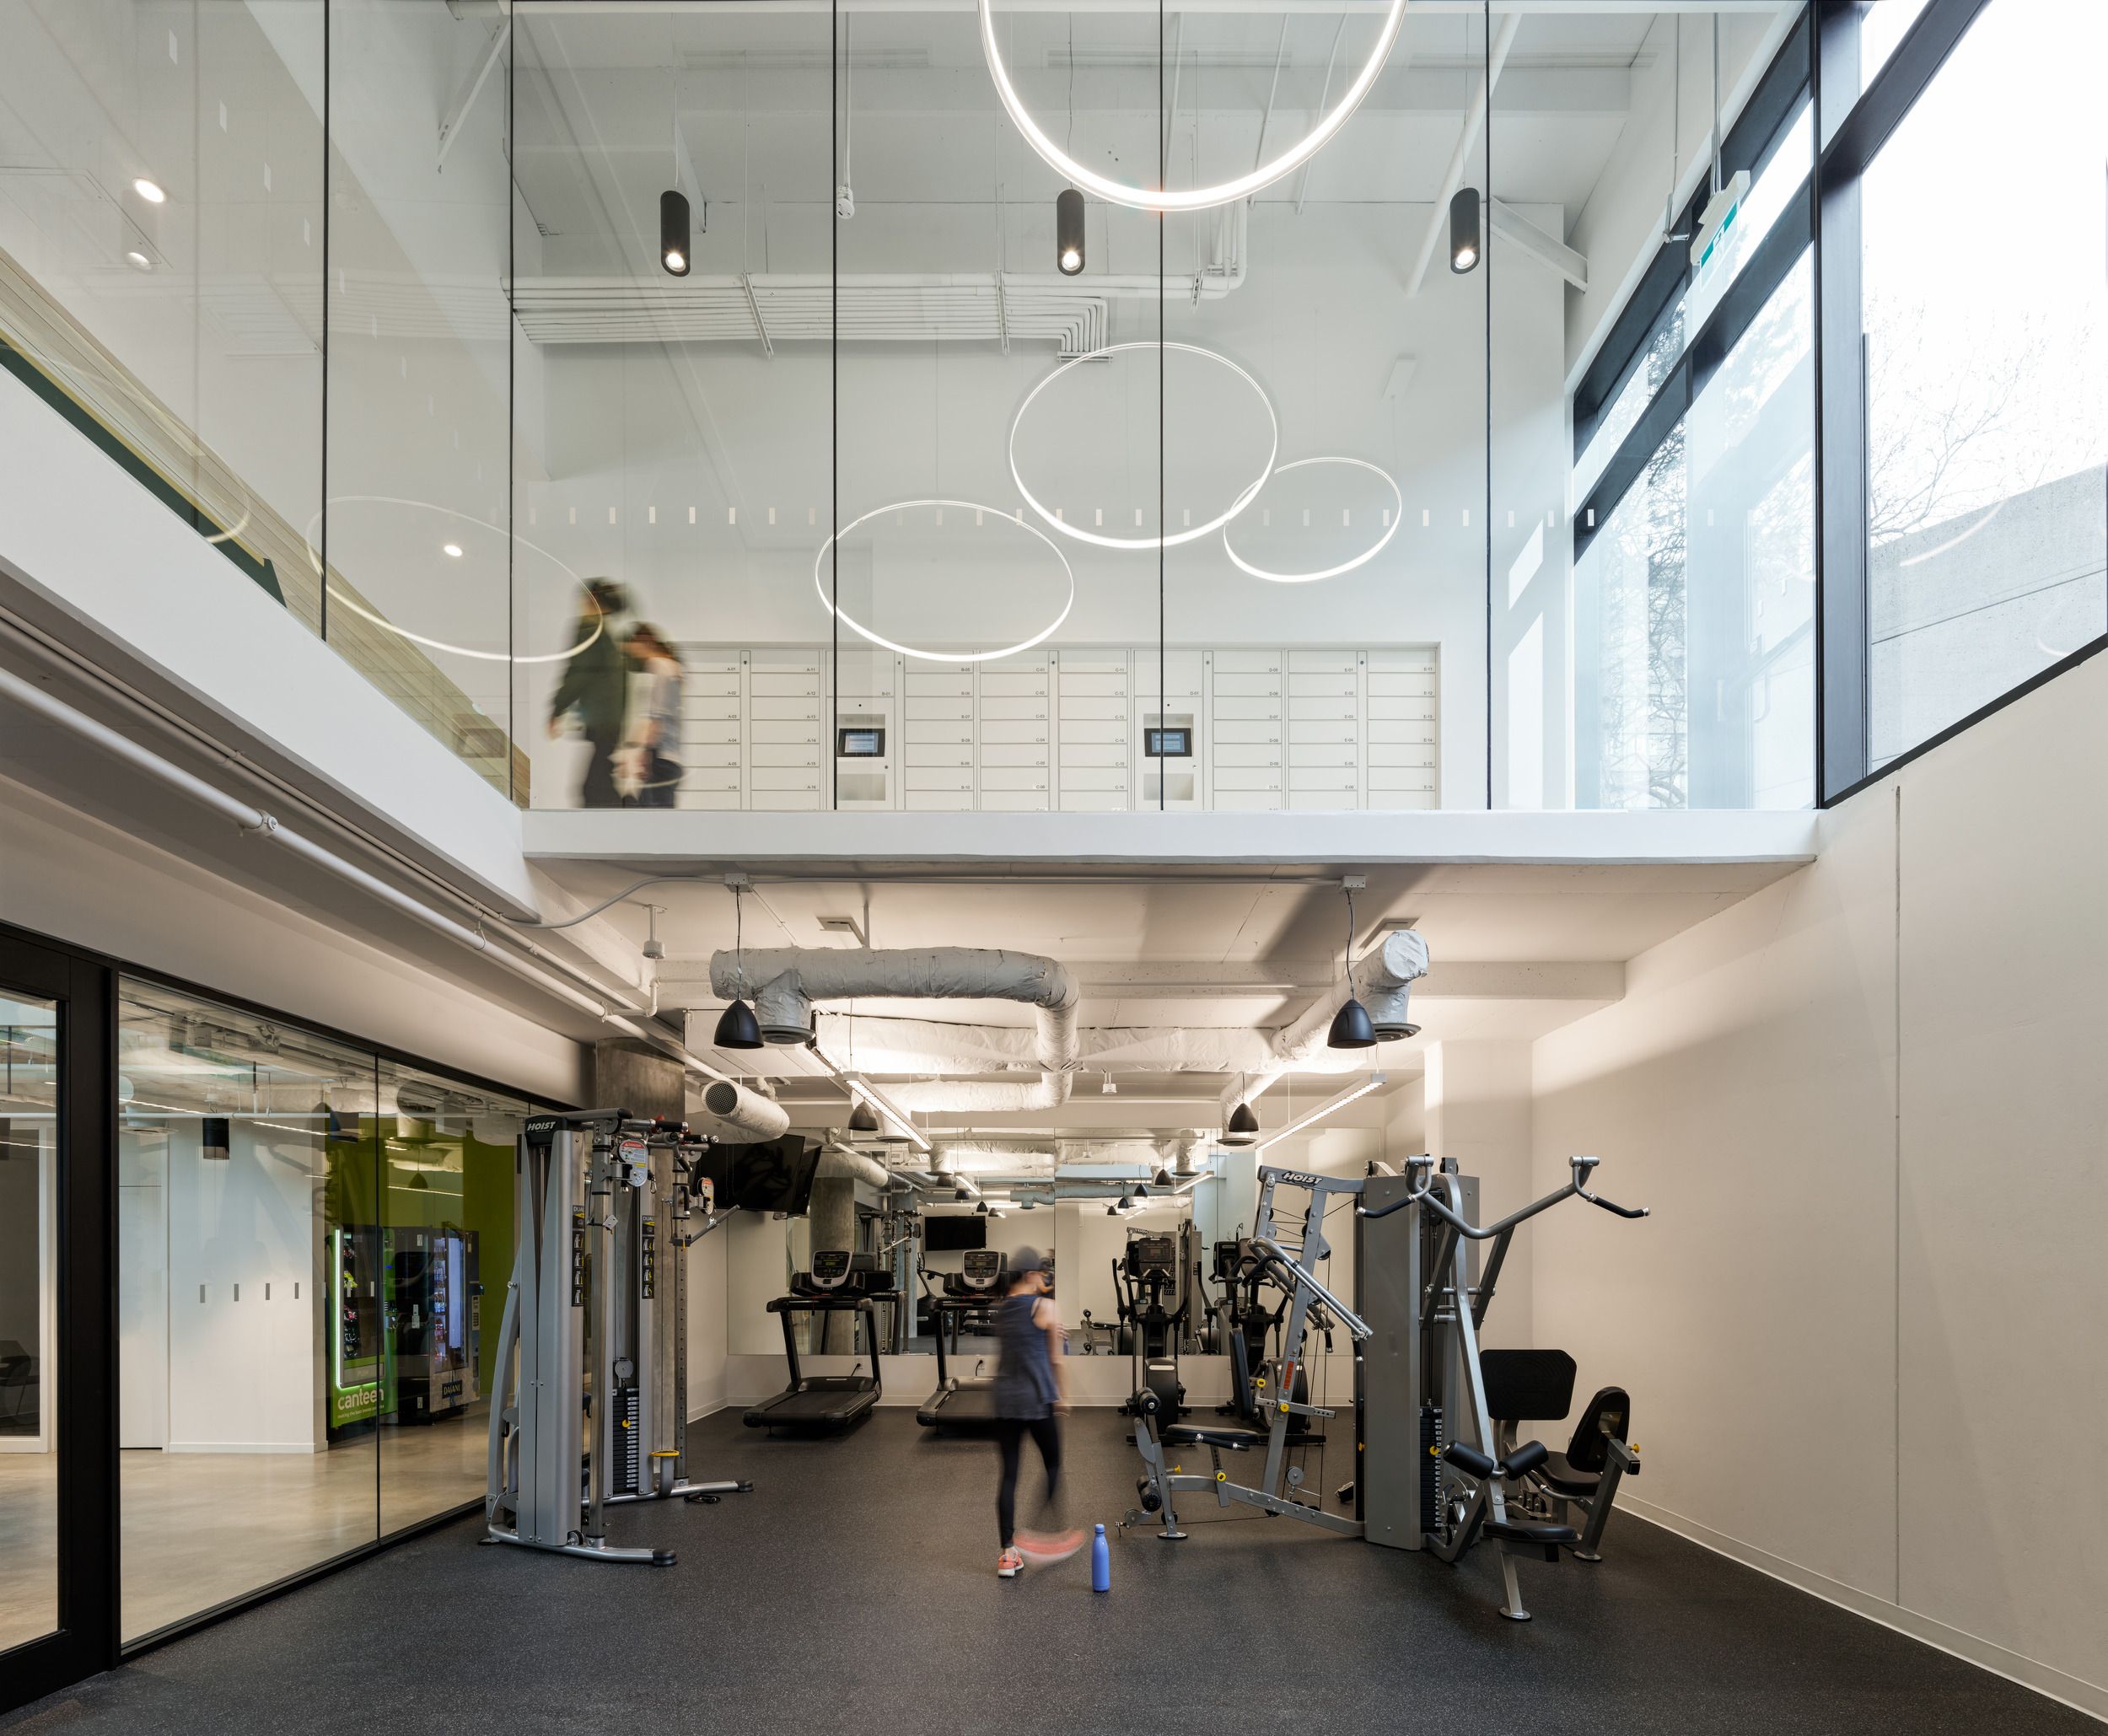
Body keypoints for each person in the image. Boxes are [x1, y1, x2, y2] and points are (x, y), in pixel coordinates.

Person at [989, 1247, 1083, 1578]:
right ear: (1031, 1275)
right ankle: (1047, 1534)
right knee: (1054, 1465)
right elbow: (1056, 1360)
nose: (1045, 1278)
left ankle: (1007, 1554)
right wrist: (1063, 1396)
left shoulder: (1001, 1310)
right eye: (1042, 1273)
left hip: (1004, 1401)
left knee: (1009, 1475)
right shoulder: (1047, 1307)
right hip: (1037, 1400)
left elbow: (1024, 1347)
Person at [546, 579, 628, 808]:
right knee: (597, 784)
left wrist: (556, 709)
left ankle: (625, 828)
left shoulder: (590, 629)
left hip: (602, 721)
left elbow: (578, 673)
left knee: (592, 789)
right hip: (610, 722)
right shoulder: (608, 636)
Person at [621, 623, 684, 809]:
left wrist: (645, 754)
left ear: (645, 642)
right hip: (672, 760)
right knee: (658, 820)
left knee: (651, 820)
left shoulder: (659, 665)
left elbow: (657, 716)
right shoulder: (672, 667)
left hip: (660, 759)